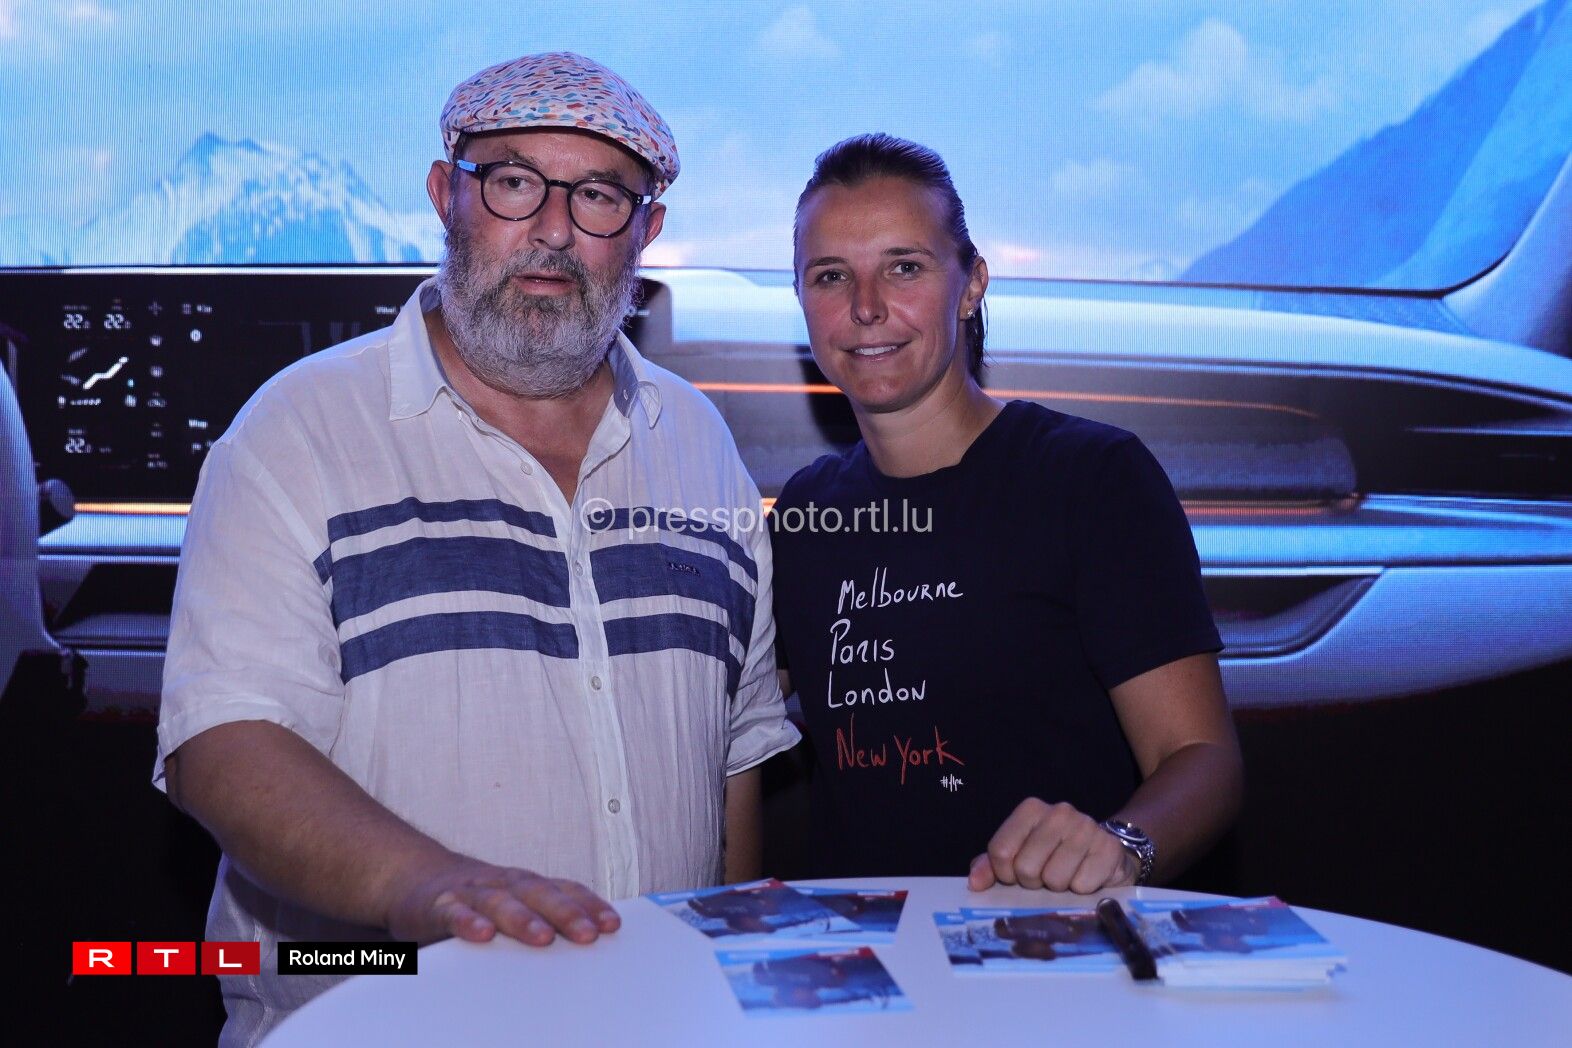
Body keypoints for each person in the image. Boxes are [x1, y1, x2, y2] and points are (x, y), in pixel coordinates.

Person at [155, 53, 798, 1042]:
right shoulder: (295, 434)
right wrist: (426, 886)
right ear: (444, 193)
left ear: (646, 232)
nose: (553, 229)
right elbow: (223, 745)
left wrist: (730, 992)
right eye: (512, 182)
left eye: (598, 196)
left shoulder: (700, 447)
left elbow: (735, 759)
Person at [771, 133, 1242, 894]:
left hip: (1048, 944)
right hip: (860, 954)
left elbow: (1201, 759)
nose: (866, 307)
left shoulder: (1091, 478)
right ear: (801, 301)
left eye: (904, 267)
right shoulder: (804, 513)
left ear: (971, 285)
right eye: (831, 276)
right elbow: (722, 724)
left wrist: (1120, 847)